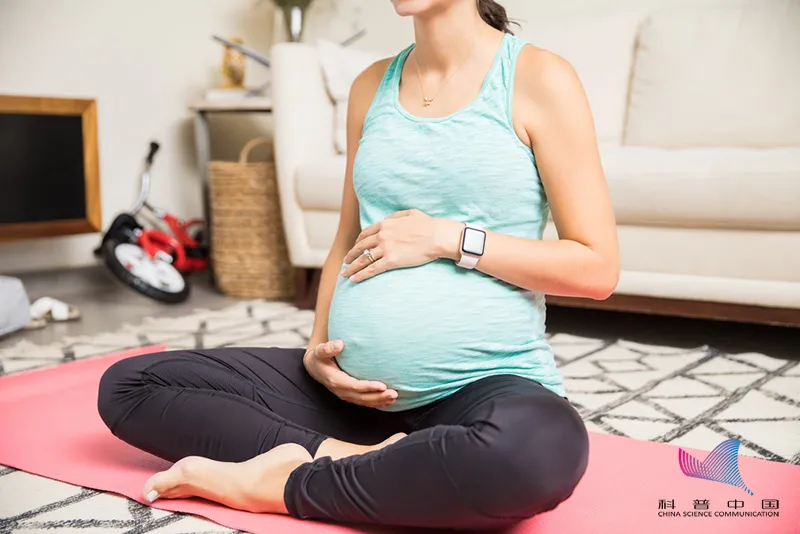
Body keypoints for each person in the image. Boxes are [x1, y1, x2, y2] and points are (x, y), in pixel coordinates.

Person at [97, 0, 619, 529]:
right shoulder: (372, 85)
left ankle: (282, 486)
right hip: (350, 396)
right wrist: (316, 350)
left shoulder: (539, 77)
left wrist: (447, 238)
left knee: (535, 453)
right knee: (129, 385)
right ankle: (345, 457)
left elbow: (596, 268)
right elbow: (347, 237)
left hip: (484, 387)